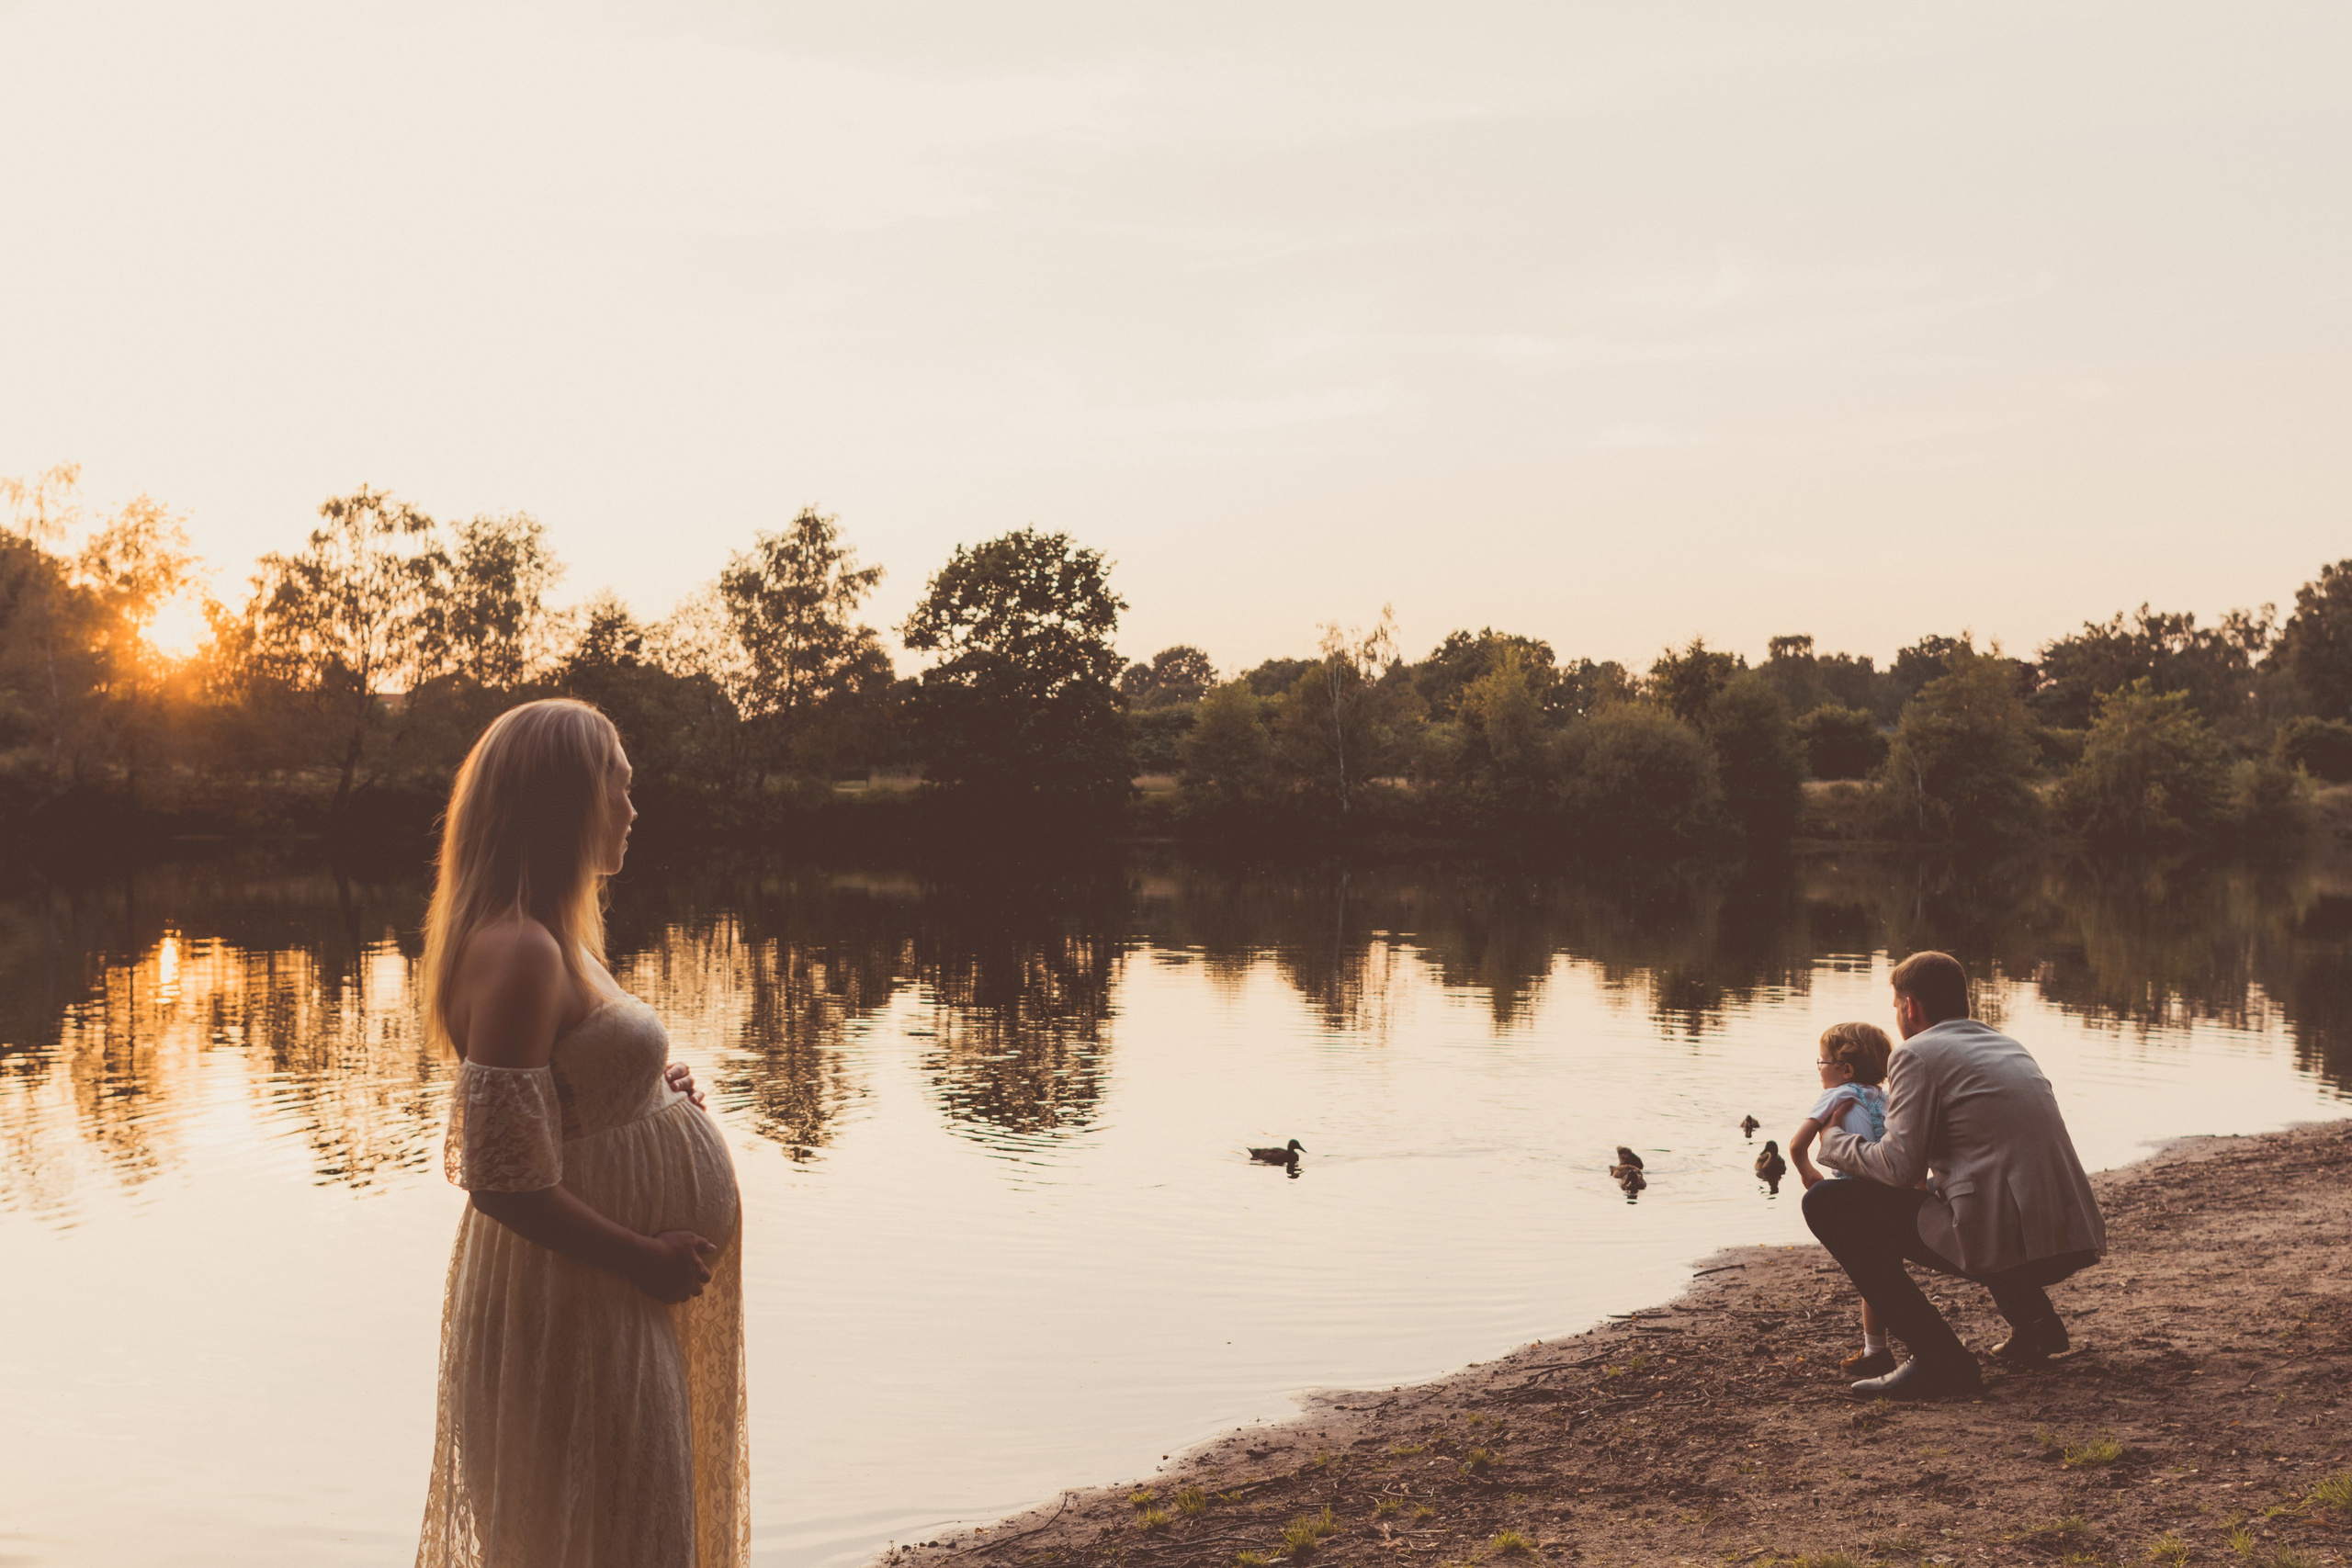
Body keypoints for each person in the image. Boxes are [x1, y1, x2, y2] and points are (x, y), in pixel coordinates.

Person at [414, 699, 748, 1566]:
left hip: (600, 1298)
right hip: (573, 1300)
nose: (633, 810)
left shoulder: (557, 937)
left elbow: (558, 1099)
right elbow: (500, 1176)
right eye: (619, 786)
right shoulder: (520, 947)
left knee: (632, 1532)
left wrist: (643, 1092)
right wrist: (644, 1255)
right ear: (563, 799)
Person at [1804, 951, 2105, 1401]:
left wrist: (1833, 1142)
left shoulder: (1915, 1055)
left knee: (1826, 1204)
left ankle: (1939, 1360)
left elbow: (1897, 1167)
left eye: (1896, 1008)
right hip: (2068, 1235)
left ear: (1911, 1007)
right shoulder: (2006, 1045)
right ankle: (2035, 1326)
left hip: (2011, 1243)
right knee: (1957, 1192)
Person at [1787, 1021, 1894, 1378]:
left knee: (1868, 1270)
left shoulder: (1836, 1095)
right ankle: (1876, 1349)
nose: (1819, 1069)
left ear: (1845, 1069)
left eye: (1822, 1062)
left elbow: (1796, 1144)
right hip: (1891, 1191)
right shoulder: (1889, 1098)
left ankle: (1876, 1349)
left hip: (1853, 1193)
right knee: (1883, 1268)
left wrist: (1807, 1173)